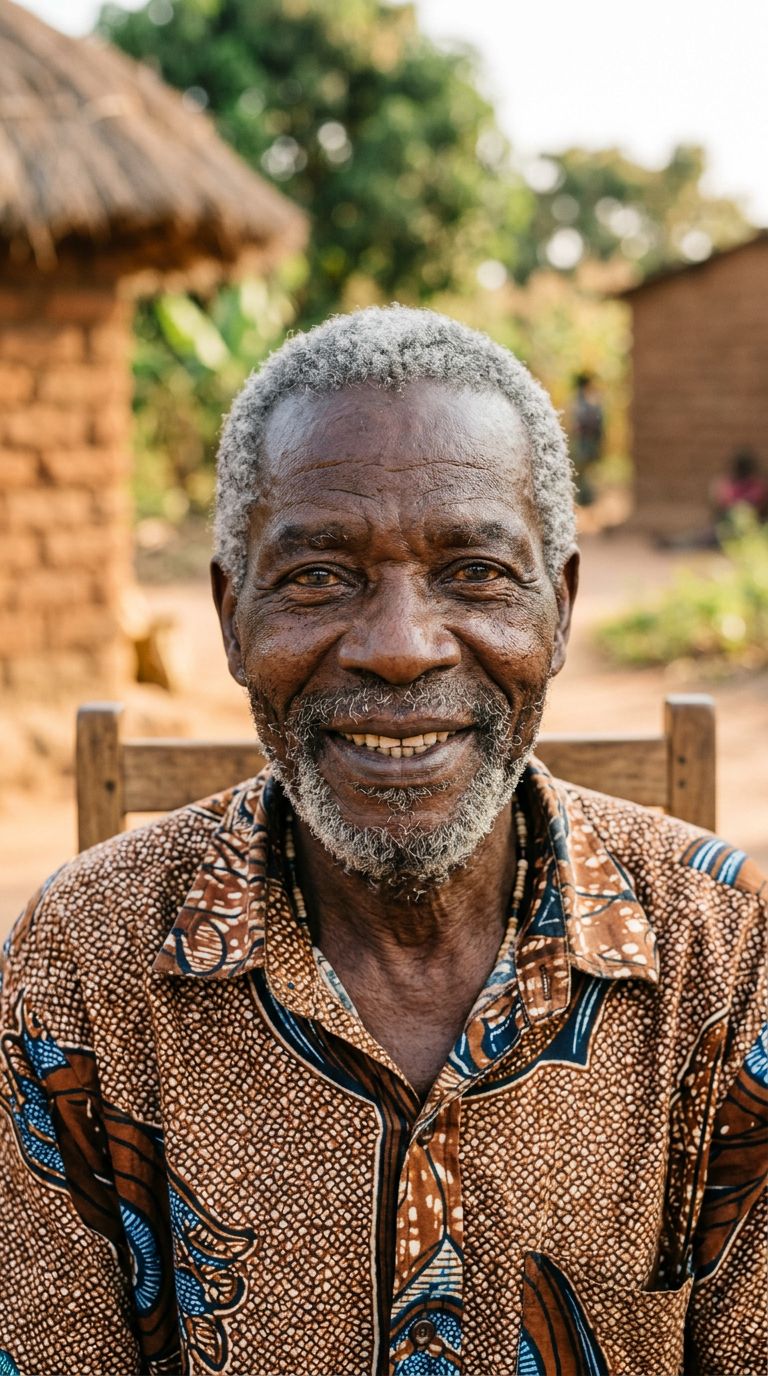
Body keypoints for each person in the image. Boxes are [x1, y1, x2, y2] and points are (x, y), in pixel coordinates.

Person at [0, 307, 765, 1376]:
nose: (401, 648)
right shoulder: (83, 957)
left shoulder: (727, 956)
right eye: (318, 575)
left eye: (474, 573)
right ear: (231, 617)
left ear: (561, 607)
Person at [570, 370, 604, 506]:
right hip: (584, 441)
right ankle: (584, 501)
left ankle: (584, 500)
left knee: (582, 472)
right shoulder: (586, 401)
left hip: (583, 440)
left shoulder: (576, 401)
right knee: (583, 472)